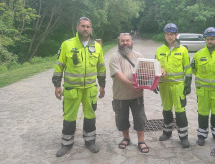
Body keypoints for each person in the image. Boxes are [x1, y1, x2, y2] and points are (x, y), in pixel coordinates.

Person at [52, 17, 106, 157]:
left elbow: (101, 67)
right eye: (83, 26)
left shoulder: (97, 46)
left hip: (90, 89)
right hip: (71, 89)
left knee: (90, 115)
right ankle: (66, 144)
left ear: (91, 29)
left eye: (88, 26)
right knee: (69, 117)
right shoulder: (67, 45)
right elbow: (59, 66)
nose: (85, 29)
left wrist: (102, 86)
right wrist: (57, 85)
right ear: (77, 27)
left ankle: (90, 142)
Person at [109, 33, 149, 153]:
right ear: (119, 42)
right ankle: (126, 138)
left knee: (140, 119)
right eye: (123, 41)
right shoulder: (114, 57)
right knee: (122, 119)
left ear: (131, 42)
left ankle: (141, 141)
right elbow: (118, 74)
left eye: (127, 40)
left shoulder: (139, 56)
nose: (125, 43)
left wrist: (147, 81)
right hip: (120, 95)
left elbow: (147, 71)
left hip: (137, 95)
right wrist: (130, 83)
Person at [155, 23, 192, 148]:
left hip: (178, 86)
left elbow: (187, 68)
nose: (169, 37)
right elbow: (154, 67)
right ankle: (167, 132)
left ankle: (183, 137)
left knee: (180, 111)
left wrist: (188, 84)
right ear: (165, 35)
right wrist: (154, 82)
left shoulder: (183, 50)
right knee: (166, 110)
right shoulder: (160, 50)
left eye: (172, 34)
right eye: (167, 34)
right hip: (164, 86)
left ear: (176, 35)